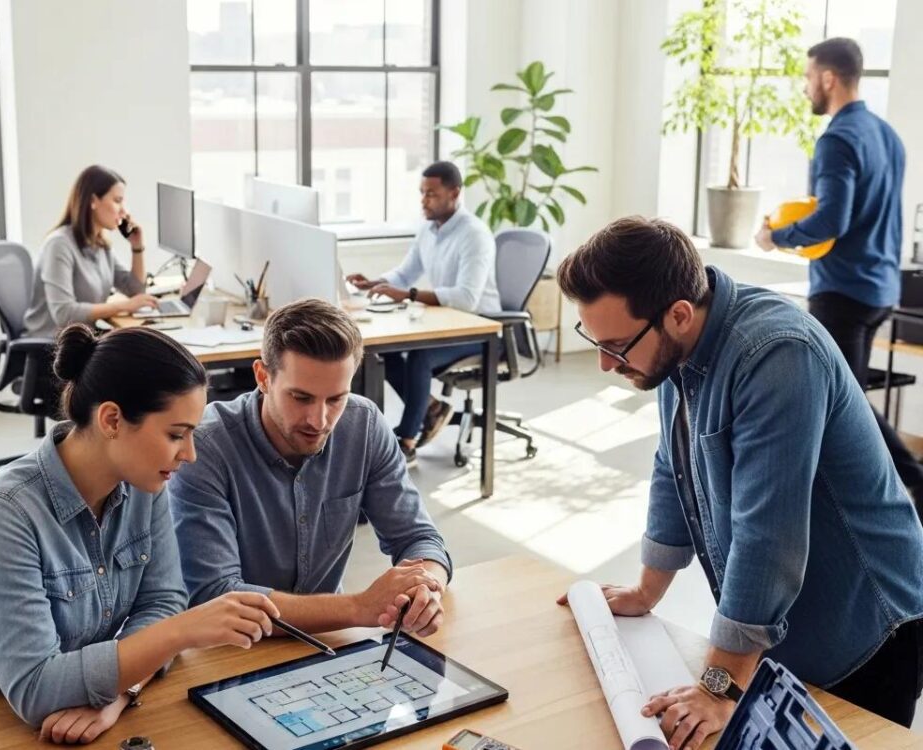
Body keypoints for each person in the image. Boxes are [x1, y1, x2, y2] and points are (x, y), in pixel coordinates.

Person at [557, 217, 923, 744]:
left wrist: (718, 686)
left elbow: (767, 536)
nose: (604, 364)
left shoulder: (777, 354)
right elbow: (673, 467)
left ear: (678, 314)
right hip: (790, 628)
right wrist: (646, 590)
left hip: (865, 629)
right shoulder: (675, 348)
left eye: (615, 346)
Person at [0, 324, 280, 744]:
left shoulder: (145, 484)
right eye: (175, 434)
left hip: (76, 714)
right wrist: (183, 630)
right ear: (111, 419)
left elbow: (163, 601)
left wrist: (120, 693)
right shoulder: (2, 513)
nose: (189, 454)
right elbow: (36, 688)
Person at [169, 299, 452, 641]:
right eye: (301, 398)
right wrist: (358, 607)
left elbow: (418, 538)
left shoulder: (363, 424)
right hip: (227, 650)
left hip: (327, 639)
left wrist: (426, 588)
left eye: (336, 399)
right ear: (263, 377)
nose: (319, 421)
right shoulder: (204, 447)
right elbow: (217, 596)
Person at [754, 38, 923, 511]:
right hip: (880, 288)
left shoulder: (837, 139)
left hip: (843, 291)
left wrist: (776, 236)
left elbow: (831, 219)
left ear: (828, 78)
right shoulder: (887, 136)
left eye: (809, 77)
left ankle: (910, 480)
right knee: (846, 397)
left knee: (840, 400)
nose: (806, 87)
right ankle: (859, 495)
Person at [347, 161, 501, 465]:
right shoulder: (429, 230)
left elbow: (467, 298)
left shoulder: (474, 235)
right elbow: (406, 273)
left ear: (454, 193)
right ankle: (432, 408)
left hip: (482, 328)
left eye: (431, 194)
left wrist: (409, 295)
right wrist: (375, 283)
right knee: (384, 351)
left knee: (421, 355)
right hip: (450, 323)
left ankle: (407, 441)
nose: (423, 201)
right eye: (422, 193)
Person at [23, 164, 159, 339]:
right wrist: (125, 306)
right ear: (93, 201)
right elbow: (64, 314)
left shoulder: (101, 245)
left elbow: (136, 290)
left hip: (81, 340)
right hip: (52, 346)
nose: (124, 211)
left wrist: (137, 247)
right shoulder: (59, 245)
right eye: (117, 201)